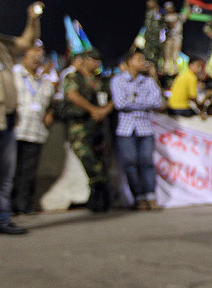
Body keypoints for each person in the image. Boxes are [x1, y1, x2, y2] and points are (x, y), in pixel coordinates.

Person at [0, 1, 42, 234]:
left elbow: (27, 41)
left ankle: (3, 219)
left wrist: (32, 18)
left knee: (5, 175)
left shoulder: (3, 45)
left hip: (6, 118)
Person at [110, 51, 163, 211]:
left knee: (147, 163)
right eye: (138, 59)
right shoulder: (118, 80)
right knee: (130, 163)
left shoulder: (148, 81)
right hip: (126, 129)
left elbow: (157, 101)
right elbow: (120, 103)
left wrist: (133, 100)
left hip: (145, 129)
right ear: (129, 62)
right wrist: (144, 102)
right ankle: (138, 198)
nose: (142, 62)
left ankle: (151, 198)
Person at [63, 48, 114, 212]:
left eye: (98, 60)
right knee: (88, 159)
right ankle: (98, 190)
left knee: (101, 160)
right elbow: (72, 95)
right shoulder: (73, 77)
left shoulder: (101, 80)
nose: (97, 63)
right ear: (84, 60)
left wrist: (103, 111)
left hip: (99, 127)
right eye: (93, 59)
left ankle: (100, 199)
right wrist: (93, 109)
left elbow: (114, 98)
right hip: (80, 126)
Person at [11, 42, 55, 215]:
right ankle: (8, 206)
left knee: (29, 172)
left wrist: (50, 112)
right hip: (15, 130)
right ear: (24, 56)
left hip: (36, 131)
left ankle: (24, 204)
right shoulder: (14, 75)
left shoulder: (45, 81)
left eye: (40, 55)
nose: (37, 58)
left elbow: (51, 103)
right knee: (11, 171)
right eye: (33, 54)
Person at [162, 1, 189, 76]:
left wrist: (187, 7)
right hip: (169, 38)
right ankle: (166, 71)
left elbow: (187, 16)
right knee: (167, 55)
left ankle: (174, 71)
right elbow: (170, 25)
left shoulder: (178, 16)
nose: (168, 10)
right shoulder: (165, 17)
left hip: (177, 37)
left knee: (175, 55)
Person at [142, 0, 165, 68]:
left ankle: (156, 68)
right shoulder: (148, 12)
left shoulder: (161, 11)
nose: (148, 4)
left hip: (157, 37)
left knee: (157, 54)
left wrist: (162, 36)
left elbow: (164, 24)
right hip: (148, 37)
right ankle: (148, 68)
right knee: (147, 53)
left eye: (149, 2)